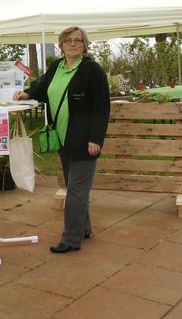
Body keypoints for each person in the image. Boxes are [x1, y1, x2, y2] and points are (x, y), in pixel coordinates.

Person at [13, 26, 110, 253]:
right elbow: (42, 86)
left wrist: (96, 138)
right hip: (62, 139)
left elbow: (101, 108)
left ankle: (70, 240)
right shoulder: (56, 67)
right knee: (75, 188)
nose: (73, 44)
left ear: (85, 45)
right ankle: (84, 228)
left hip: (85, 140)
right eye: (68, 41)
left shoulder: (92, 70)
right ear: (62, 45)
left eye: (78, 40)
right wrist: (27, 93)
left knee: (75, 191)